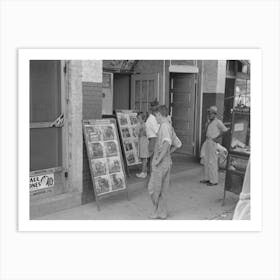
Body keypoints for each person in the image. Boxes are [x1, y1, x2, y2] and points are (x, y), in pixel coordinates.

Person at [148, 105, 177, 219]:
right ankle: (162, 212)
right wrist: (167, 155)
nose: (156, 118)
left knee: (153, 188)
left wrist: (158, 159)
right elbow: (177, 144)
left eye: (156, 116)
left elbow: (166, 143)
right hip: (166, 163)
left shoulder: (164, 126)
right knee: (163, 189)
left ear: (160, 114)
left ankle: (157, 211)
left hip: (160, 164)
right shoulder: (169, 126)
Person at [200, 106, 228, 186]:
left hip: (213, 142)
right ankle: (207, 178)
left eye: (210, 113)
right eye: (208, 113)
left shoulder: (218, 122)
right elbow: (205, 131)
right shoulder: (209, 122)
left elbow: (225, 131)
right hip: (207, 141)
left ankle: (214, 181)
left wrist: (217, 138)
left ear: (214, 114)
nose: (209, 114)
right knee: (206, 160)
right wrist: (207, 122)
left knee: (213, 161)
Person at [145, 99, 160, 172]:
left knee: (152, 156)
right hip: (153, 139)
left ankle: (150, 170)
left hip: (153, 138)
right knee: (153, 157)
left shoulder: (151, 118)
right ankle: (152, 171)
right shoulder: (152, 119)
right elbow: (157, 131)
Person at [135, 112, 149, 178]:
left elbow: (145, 134)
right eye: (137, 118)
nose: (138, 120)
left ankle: (144, 172)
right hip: (141, 143)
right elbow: (136, 133)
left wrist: (142, 130)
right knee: (142, 158)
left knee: (144, 158)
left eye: (139, 118)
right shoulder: (139, 125)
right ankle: (144, 171)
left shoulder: (145, 125)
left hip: (144, 143)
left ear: (143, 119)